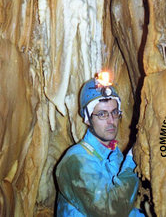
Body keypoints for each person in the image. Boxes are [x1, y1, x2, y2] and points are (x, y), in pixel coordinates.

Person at [55, 73, 143, 216]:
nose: (111, 121)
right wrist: (132, 161)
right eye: (102, 114)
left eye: (114, 112)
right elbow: (110, 211)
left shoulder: (115, 155)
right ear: (87, 119)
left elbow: (128, 211)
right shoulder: (76, 161)